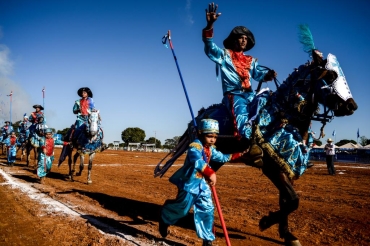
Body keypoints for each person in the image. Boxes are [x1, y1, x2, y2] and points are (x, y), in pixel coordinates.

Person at [202, 3, 277, 162]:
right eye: (240, 38)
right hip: (234, 96)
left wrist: (268, 75)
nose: (243, 40)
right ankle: (248, 147)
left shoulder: (251, 60)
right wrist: (210, 25)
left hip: (251, 95)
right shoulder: (224, 55)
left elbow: (258, 74)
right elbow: (209, 48)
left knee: (271, 101)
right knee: (242, 117)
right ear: (233, 40)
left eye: (246, 38)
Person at [159, 119, 248, 246]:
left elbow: (222, 157)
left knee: (207, 209)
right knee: (182, 210)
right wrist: (210, 173)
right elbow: (197, 161)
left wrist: (239, 155)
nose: (212, 140)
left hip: (202, 185)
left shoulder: (210, 149)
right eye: (209, 136)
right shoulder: (195, 146)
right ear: (200, 134)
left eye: (215, 137)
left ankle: (207, 240)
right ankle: (165, 216)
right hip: (189, 184)